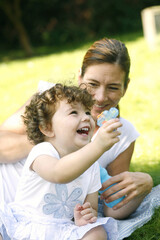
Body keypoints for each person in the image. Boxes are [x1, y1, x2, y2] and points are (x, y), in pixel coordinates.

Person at [0, 38, 153, 219]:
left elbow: (113, 205)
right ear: (80, 76)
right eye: (93, 84)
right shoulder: (50, 102)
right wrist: (55, 138)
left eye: (112, 87)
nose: (100, 97)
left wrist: (144, 184)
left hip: (46, 219)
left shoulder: (121, 133)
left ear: (125, 87)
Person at [0, 83, 122, 240]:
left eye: (86, 111)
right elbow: (58, 173)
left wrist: (85, 214)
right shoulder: (42, 151)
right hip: (24, 225)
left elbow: (90, 205)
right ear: (47, 128)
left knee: (97, 233)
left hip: (60, 229)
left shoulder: (91, 165)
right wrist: (98, 146)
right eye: (73, 112)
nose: (86, 117)